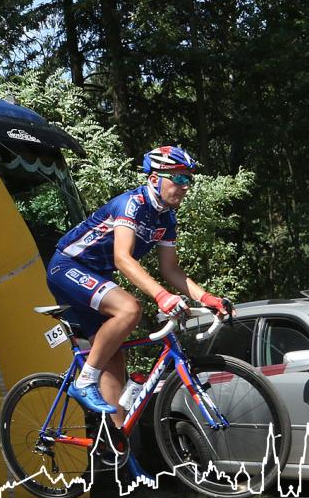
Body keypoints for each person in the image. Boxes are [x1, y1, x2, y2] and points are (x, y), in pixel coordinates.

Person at [46, 146, 232, 480]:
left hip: (96, 277)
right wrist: (161, 296)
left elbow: (171, 269)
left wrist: (208, 298)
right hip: (67, 267)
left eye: (188, 180)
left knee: (115, 359)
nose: (185, 186)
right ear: (154, 178)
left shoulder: (166, 218)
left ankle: (114, 444)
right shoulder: (132, 204)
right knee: (129, 308)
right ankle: (83, 381)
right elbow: (123, 258)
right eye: (178, 178)